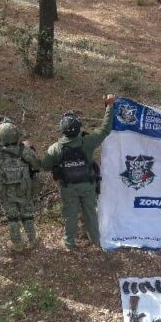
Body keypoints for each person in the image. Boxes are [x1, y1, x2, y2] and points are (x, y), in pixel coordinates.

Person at [41, 94, 115, 250]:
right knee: (90, 213)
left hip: (68, 187)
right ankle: (95, 240)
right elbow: (105, 129)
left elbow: (45, 166)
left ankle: (69, 243)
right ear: (79, 127)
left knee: (70, 215)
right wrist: (109, 106)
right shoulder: (87, 142)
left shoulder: (55, 148)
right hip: (87, 185)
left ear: (62, 129)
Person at [0, 121, 42, 252]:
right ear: (16, 135)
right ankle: (32, 239)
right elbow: (37, 165)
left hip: (5, 191)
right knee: (27, 214)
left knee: (12, 217)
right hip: (24, 189)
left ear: (0, 136)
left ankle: (17, 244)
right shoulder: (25, 151)